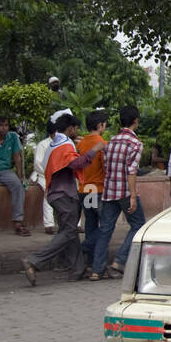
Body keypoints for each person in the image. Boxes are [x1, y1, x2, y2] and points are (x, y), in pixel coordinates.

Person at [22, 113, 103, 284]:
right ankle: (35, 260)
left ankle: (78, 270)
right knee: (67, 232)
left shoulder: (55, 144)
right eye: (76, 128)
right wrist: (94, 150)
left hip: (56, 193)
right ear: (71, 128)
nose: (77, 131)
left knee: (70, 232)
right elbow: (75, 164)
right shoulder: (65, 146)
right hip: (64, 194)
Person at [91, 105, 146, 281]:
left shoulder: (111, 141)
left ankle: (96, 270)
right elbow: (132, 171)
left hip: (109, 191)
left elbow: (107, 167)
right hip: (124, 191)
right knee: (139, 225)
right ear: (136, 121)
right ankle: (119, 261)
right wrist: (132, 195)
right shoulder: (135, 144)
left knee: (105, 229)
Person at [77, 109, 109, 268]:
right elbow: (105, 166)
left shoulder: (81, 143)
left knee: (90, 224)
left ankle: (89, 260)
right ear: (100, 125)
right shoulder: (102, 144)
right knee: (105, 227)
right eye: (105, 125)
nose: (105, 127)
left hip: (85, 189)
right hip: (97, 189)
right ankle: (83, 251)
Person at [30, 119, 56, 233]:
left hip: (60, 175)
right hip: (43, 175)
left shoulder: (66, 143)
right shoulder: (43, 145)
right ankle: (49, 224)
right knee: (48, 191)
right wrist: (50, 173)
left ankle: (76, 224)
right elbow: (37, 164)